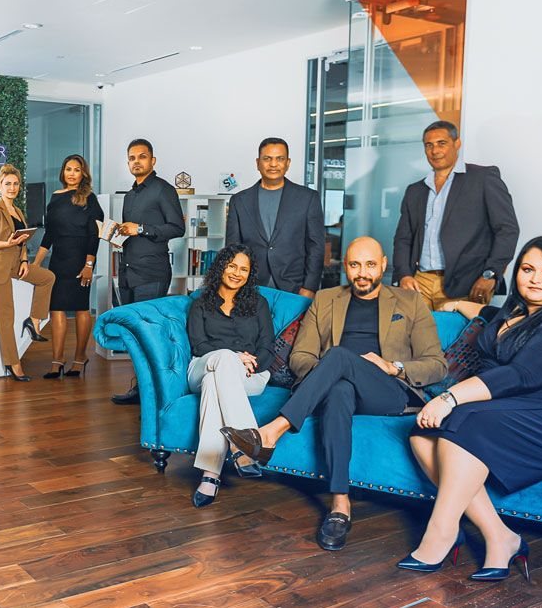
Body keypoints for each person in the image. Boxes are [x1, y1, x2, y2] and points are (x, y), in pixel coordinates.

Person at [400, 236, 542, 581]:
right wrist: (456, 304)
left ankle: (441, 532)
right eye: (527, 269)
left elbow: (521, 374)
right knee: (422, 433)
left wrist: (448, 398)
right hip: (518, 408)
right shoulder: (515, 313)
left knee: (462, 420)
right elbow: (486, 315)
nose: (536, 279)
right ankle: (500, 536)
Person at [224, 237, 446, 551]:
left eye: (370, 265)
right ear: (345, 266)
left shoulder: (410, 302)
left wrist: (393, 366)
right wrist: (327, 375)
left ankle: (272, 432)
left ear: (383, 265)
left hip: (388, 391)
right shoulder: (326, 299)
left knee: (340, 355)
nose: (362, 273)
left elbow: (437, 365)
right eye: (355, 265)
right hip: (337, 388)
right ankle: (340, 503)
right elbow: (301, 356)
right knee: (340, 385)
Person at [393, 120, 519, 310]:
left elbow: (507, 229)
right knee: (412, 330)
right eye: (429, 145)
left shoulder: (483, 178)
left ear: (457, 143)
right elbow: (403, 238)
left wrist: (491, 274)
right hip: (420, 283)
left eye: (441, 143)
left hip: (467, 282)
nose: (435, 151)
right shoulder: (415, 191)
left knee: (457, 331)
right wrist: (404, 275)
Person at [186, 243, 275, 508]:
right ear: (221, 267)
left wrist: (247, 365)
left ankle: (210, 475)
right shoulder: (201, 303)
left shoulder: (258, 304)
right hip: (204, 365)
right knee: (223, 359)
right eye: (232, 266)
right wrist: (234, 357)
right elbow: (199, 345)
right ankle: (244, 444)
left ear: (249, 274)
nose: (237, 273)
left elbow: (267, 347)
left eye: (243, 269)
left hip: (249, 375)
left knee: (215, 381)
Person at [111, 138, 185, 404]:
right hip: (128, 272)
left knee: (151, 336)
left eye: (142, 156)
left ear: (152, 161)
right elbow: (131, 232)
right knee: (135, 336)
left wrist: (141, 229)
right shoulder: (130, 195)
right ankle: (141, 390)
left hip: (152, 273)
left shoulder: (163, 190)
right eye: (132, 158)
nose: (136, 162)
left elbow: (177, 228)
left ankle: (157, 395)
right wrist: (118, 233)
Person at [0, 164, 55, 381]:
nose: (12, 188)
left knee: (47, 277)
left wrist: (24, 259)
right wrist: (7, 243)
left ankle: (34, 320)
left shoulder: (18, 211)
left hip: (16, 264)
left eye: (15, 184)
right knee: (7, 318)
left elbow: (22, 241)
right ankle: (13, 363)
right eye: (7, 184)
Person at [225, 137, 324, 298]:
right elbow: (233, 250)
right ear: (258, 163)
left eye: (280, 159)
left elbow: (316, 247)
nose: (273, 164)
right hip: (250, 288)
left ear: (288, 163)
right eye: (267, 159)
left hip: (295, 288)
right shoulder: (239, 201)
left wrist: (309, 287)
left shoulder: (308, 198)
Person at [33, 154, 104, 378]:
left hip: (81, 260)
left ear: (83, 174)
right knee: (56, 309)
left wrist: (89, 265)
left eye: (76, 170)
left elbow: (95, 235)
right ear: (63, 172)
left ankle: (80, 358)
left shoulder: (90, 198)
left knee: (81, 308)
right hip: (59, 261)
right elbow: (49, 235)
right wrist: (36, 264)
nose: (72, 174)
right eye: (68, 169)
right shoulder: (55, 197)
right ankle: (57, 360)